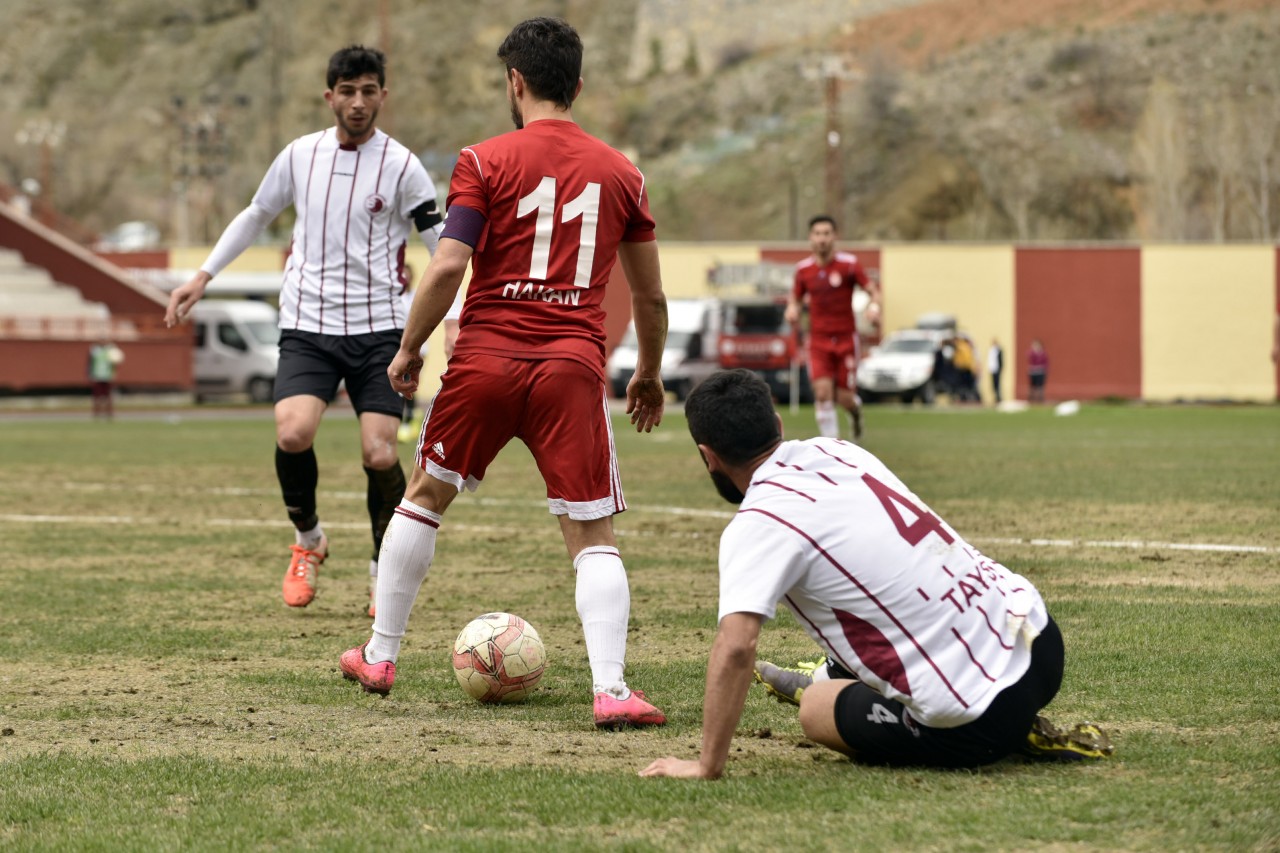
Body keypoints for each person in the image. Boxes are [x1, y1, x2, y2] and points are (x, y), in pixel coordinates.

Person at [340, 17, 671, 730]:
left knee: (425, 494)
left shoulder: (483, 160)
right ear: (577, 85)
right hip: (571, 369)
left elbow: (451, 263)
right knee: (593, 532)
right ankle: (611, 689)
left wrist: (408, 348)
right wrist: (648, 371)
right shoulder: (622, 172)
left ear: (514, 82)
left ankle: (380, 653)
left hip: (484, 360)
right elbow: (647, 294)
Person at [640, 369, 1111, 780]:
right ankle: (834, 671)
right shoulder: (840, 451)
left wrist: (706, 765)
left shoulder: (757, 523)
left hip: (977, 715)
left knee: (815, 711)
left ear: (709, 457)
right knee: (865, 595)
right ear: (778, 425)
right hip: (1042, 643)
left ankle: (831, 685)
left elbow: (737, 646)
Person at [164, 46, 445, 615]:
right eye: (347, 91)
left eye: (369, 91)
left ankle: (380, 566)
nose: (358, 102)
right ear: (329, 96)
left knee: (380, 452)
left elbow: (440, 245)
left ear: (382, 96)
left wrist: (460, 310)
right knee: (292, 433)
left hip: (379, 328)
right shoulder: (299, 156)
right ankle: (309, 540)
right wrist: (202, 276)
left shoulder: (404, 165)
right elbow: (254, 215)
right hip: (308, 324)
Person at [785, 215, 881, 441]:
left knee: (844, 398)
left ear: (834, 236)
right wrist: (792, 310)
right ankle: (833, 447)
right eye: (817, 234)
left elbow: (872, 290)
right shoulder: (803, 270)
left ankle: (855, 412)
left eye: (826, 234)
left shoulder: (849, 265)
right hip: (818, 341)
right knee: (822, 393)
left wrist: (874, 307)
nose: (822, 239)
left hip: (846, 340)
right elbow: (796, 299)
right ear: (810, 238)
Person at [87, 338, 124, 419]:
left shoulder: (111, 350)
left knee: (109, 397)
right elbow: (90, 363)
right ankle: (96, 414)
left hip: (108, 376)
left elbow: (115, 362)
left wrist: (114, 374)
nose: (103, 341)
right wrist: (89, 374)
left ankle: (109, 414)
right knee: (97, 397)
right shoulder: (94, 350)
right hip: (97, 375)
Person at [1028, 338, 1049, 403]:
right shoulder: (1032, 353)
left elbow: (1046, 362)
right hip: (1033, 371)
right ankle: (1032, 399)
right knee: (1033, 386)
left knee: (1040, 386)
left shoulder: (1043, 354)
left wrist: (1045, 370)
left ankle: (1040, 399)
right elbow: (1030, 358)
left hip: (1040, 371)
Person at [987, 338, 1004, 404]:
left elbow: (1001, 360)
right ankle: (995, 397)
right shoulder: (991, 350)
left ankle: (999, 397)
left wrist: (1001, 368)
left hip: (997, 369)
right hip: (992, 369)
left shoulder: (999, 350)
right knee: (993, 384)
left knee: (998, 384)